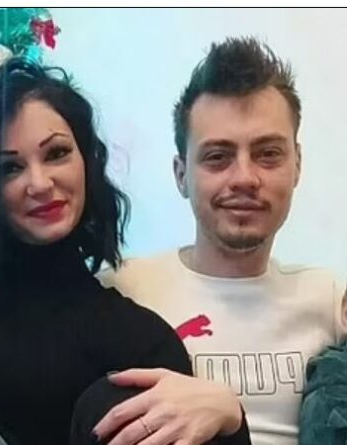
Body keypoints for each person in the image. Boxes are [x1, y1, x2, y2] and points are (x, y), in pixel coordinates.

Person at [0, 58, 250, 445]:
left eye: (56, 154)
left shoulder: (134, 337)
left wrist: (229, 416)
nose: (40, 184)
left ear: (85, 160)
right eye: (10, 168)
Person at [98, 36, 345, 445]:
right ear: (181, 175)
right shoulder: (123, 292)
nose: (245, 178)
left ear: (297, 165)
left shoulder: (330, 300)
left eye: (268, 154)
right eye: (218, 156)